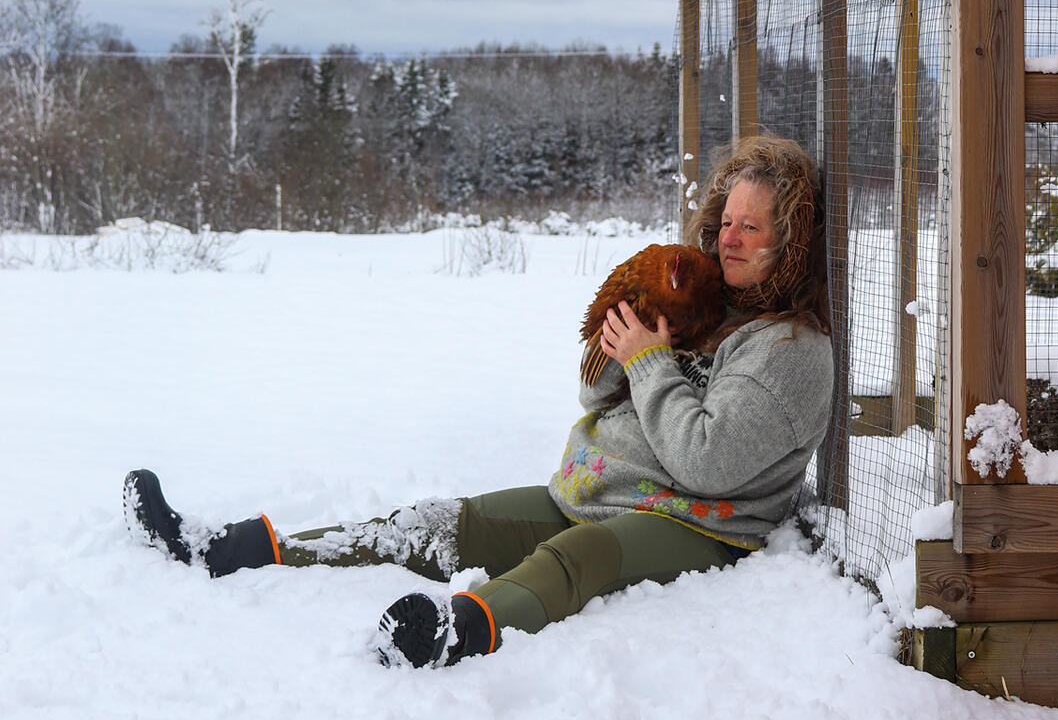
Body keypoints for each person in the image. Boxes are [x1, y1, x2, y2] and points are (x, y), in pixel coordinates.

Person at [124, 135, 834, 670]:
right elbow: (597, 392)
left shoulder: (789, 351)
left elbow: (707, 461)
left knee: (578, 553)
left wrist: (647, 361)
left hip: (699, 522)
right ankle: (232, 547)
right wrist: (620, 345)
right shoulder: (708, 304)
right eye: (727, 221)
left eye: (752, 227)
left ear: (792, 243)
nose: (728, 238)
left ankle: (458, 630)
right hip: (605, 488)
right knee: (437, 522)